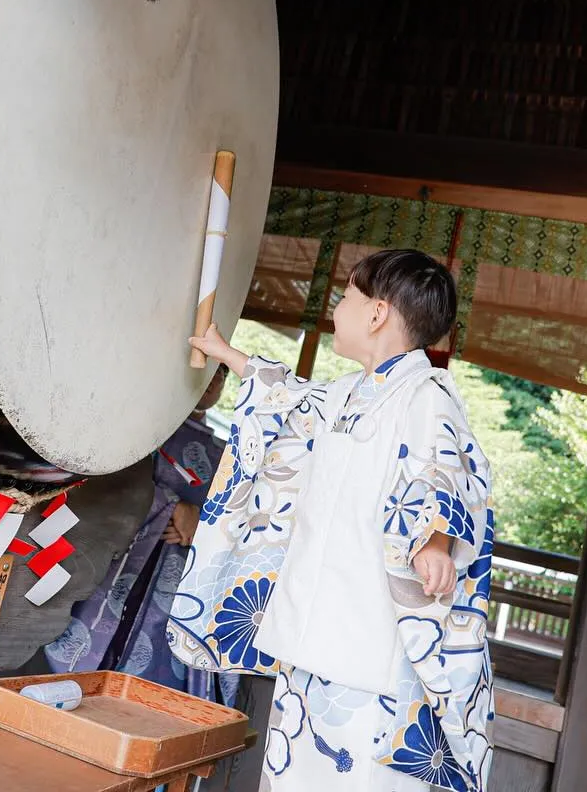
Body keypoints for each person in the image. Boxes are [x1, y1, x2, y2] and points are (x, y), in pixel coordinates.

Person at [169, 249, 495, 792]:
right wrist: (227, 353)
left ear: (377, 314)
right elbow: (289, 399)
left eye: (347, 296)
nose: (336, 308)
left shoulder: (426, 392)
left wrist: (434, 539)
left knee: (357, 776)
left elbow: (447, 467)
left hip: (370, 637)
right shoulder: (347, 392)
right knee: (294, 767)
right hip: (312, 625)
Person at [44, 366, 238, 707]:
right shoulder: (146, 425)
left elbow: (231, 517)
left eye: (223, 373)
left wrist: (200, 525)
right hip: (123, 558)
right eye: (210, 369)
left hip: (176, 575)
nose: (215, 380)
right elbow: (112, 480)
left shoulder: (226, 453)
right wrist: (171, 505)